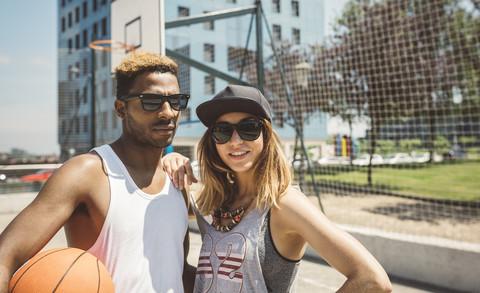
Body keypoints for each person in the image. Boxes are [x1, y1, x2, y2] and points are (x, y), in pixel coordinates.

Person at [163, 84, 393, 292]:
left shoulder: (284, 203)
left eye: (249, 128)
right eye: (222, 131)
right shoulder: (216, 198)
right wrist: (168, 164)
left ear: (266, 136)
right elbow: (160, 212)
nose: (235, 141)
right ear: (213, 142)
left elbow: (372, 279)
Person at [0, 50, 195, 293]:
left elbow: (179, 270)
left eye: (176, 101)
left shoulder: (176, 181)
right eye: (152, 101)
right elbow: (4, 258)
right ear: (121, 109)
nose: (168, 112)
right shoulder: (87, 173)